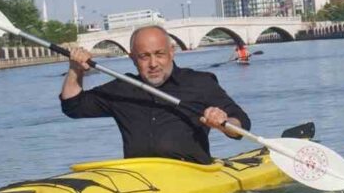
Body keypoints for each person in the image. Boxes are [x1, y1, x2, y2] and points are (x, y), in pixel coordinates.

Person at [61, 25, 250, 164]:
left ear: (171, 53)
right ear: (133, 59)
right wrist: (75, 70)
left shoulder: (199, 83)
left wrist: (224, 124)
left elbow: (241, 124)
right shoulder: (122, 88)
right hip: (141, 179)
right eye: (144, 56)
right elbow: (73, 106)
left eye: (159, 54)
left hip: (193, 174)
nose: (153, 64)